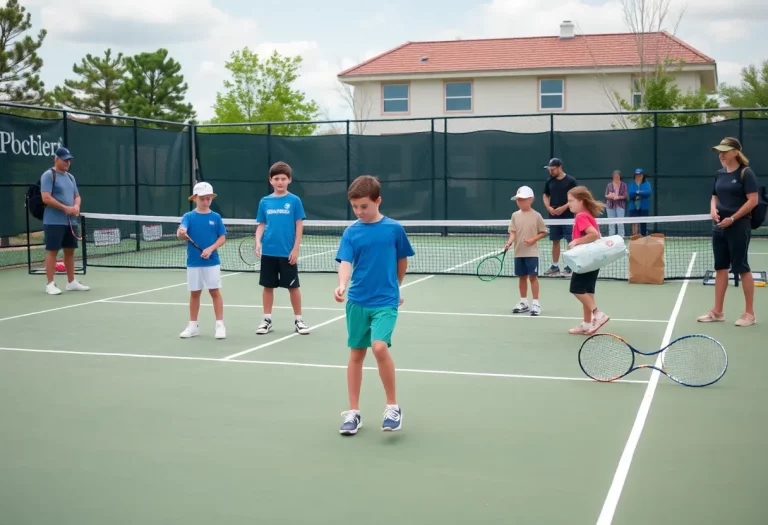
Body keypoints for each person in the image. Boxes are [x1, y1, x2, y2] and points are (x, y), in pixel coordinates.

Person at [333, 175, 415, 435]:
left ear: (378, 201)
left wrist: (396, 287)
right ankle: (353, 412)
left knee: (379, 347)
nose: (359, 212)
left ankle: (393, 407)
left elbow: (402, 262)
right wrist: (342, 284)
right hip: (357, 301)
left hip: (385, 302)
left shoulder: (394, 229)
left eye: (364, 206)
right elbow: (345, 262)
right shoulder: (351, 232)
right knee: (356, 355)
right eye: (355, 207)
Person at [697, 137, 758, 327]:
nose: (721, 155)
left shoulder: (746, 174)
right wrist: (713, 210)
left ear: (735, 152)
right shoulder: (720, 174)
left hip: (739, 227)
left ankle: (749, 314)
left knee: (741, 268)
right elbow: (714, 196)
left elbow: (753, 200)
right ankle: (717, 312)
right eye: (719, 151)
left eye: (724, 151)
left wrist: (733, 218)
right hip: (719, 228)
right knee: (720, 268)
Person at [254, 161, 310, 336]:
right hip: (269, 253)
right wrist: (258, 242)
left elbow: (299, 226)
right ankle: (267, 319)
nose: (280, 182)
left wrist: (295, 249)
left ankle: (299, 320)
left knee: (293, 287)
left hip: (287, 253)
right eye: (276, 178)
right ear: (270, 180)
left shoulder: (294, 201)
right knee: (267, 286)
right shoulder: (265, 202)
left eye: (283, 178)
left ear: (289, 180)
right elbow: (261, 224)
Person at [177, 182, 227, 339]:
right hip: (193, 262)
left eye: (208, 198)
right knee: (195, 293)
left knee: (214, 292)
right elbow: (180, 234)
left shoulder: (216, 217)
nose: (206, 201)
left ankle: (220, 325)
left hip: (212, 262)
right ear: (195, 199)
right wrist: (181, 231)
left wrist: (210, 249)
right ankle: (193, 326)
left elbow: (222, 237)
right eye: (202, 199)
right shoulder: (188, 217)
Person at [40, 146, 89, 295]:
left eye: (69, 160)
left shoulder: (70, 177)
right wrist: (65, 208)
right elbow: (46, 198)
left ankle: (71, 282)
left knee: (70, 252)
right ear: (56, 159)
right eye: (65, 159)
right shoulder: (49, 175)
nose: (68, 162)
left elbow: (77, 196)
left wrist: (76, 206)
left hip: (71, 222)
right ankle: (50, 284)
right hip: (53, 222)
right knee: (52, 251)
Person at [564, 186, 610, 335]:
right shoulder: (587, 214)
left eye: (571, 201)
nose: (568, 203)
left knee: (576, 289)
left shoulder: (581, 216)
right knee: (587, 291)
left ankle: (598, 314)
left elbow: (593, 234)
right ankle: (586, 324)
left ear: (581, 201)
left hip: (585, 260)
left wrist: (576, 241)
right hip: (593, 260)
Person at [504, 185, 549, 316]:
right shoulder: (514, 216)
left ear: (531, 200)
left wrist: (533, 240)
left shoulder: (537, 216)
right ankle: (524, 302)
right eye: (518, 199)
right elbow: (513, 232)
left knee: (533, 278)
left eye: (522, 199)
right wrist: (509, 242)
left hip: (532, 253)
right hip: (519, 253)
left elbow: (543, 232)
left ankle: (536, 303)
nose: (520, 202)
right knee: (521, 278)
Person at [542, 158, 577, 277]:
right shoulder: (549, 181)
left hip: (568, 216)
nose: (550, 172)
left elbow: (575, 197)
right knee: (555, 241)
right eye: (549, 170)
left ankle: (570, 266)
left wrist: (564, 207)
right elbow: (545, 195)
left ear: (560, 167)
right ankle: (555, 267)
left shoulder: (571, 181)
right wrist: (549, 207)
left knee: (570, 241)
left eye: (553, 169)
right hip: (553, 217)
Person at [627, 168, 652, 236]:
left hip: (644, 207)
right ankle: (635, 237)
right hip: (633, 207)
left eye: (640, 175)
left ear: (642, 175)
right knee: (634, 222)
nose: (638, 176)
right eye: (636, 175)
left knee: (643, 223)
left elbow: (648, 193)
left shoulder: (647, 183)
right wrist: (640, 193)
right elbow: (631, 193)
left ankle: (643, 237)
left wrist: (638, 193)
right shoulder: (632, 184)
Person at [604, 170, 628, 236]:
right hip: (610, 206)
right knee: (611, 223)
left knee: (620, 223)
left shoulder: (624, 185)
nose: (616, 177)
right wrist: (610, 196)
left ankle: (621, 237)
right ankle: (612, 237)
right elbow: (606, 195)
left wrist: (618, 197)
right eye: (615, 176)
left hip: (620, 205)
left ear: (620, 176)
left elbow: (625, 195)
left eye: (618, 176)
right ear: (613, 177)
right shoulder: (609, 185)